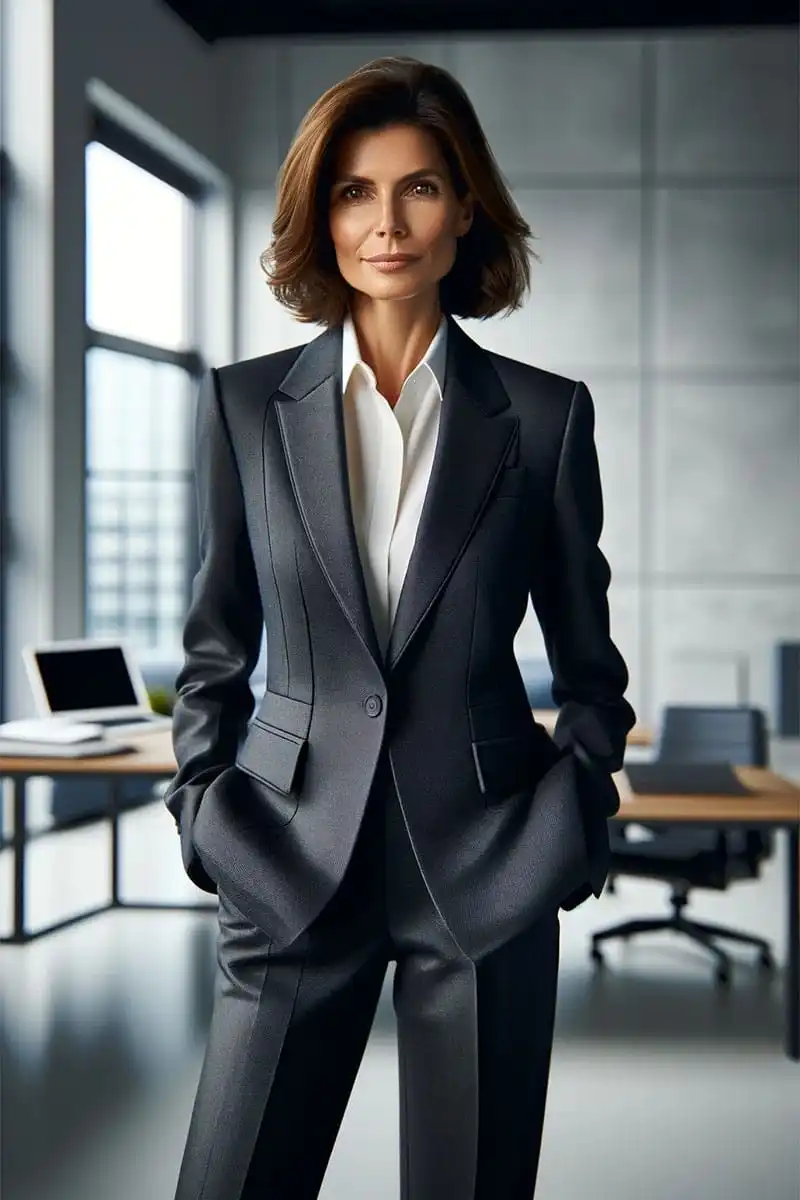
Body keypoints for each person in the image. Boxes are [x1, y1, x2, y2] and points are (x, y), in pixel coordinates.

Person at [164, 55, 637, 1200]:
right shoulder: (240, 407)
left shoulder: (541, 416)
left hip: (485, 870)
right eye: (353, 191)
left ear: (465, 207)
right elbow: (214, 650)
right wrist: (202, 810)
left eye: (419, 188)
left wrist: (565, 819)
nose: (386, 224)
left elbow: (588, 667)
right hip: (281, 858)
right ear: (318, 212)